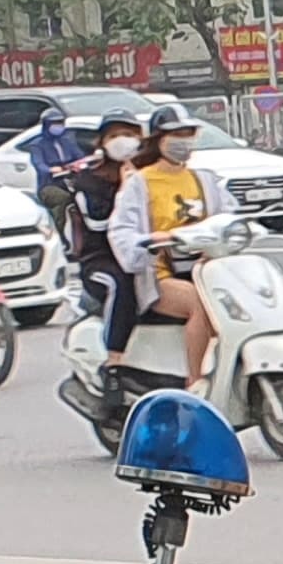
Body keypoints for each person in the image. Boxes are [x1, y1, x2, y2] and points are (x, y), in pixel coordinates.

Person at [108, 104, 216, 380]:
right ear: (158, 139)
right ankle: (196, 382)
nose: (184, 140)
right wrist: (149, 240)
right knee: (200, 305)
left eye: (188, 133)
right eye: (175, 134)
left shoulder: (203, 179)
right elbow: (122, 231)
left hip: (208, 271)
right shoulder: (140, 183)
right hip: (160, 275)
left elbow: (228, 216)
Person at [67, 110, 145, 347]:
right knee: (120, 284)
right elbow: (98, 223)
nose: (122, 140)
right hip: (100, 259)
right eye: (114, 136)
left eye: (129, 134)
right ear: (102, 143)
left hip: (144, 253)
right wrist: (125, 189)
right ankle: (114, 354)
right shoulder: (88, 181)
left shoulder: (150, 174)